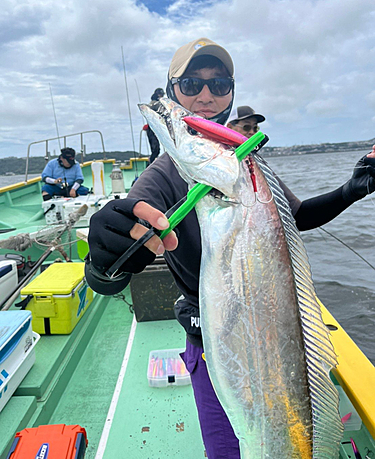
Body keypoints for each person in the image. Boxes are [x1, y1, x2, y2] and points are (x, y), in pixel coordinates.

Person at [85, 38, 375, 458]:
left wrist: (350, 191)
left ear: (232, 92)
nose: (206, 94)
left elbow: (298, 219)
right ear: (173, 89)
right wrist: (103, 259)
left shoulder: (249, 166)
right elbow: (112, 276)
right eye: (191, 83)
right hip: (216, 342)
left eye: (219, 84)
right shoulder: (165, 174)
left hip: (278, 334)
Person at [143, 88, 164, 163]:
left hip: (156, 128)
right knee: (156, 150)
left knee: (156, 150)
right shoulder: (156, 104)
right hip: (152, 128)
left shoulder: (154, 103)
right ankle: (150, 166)